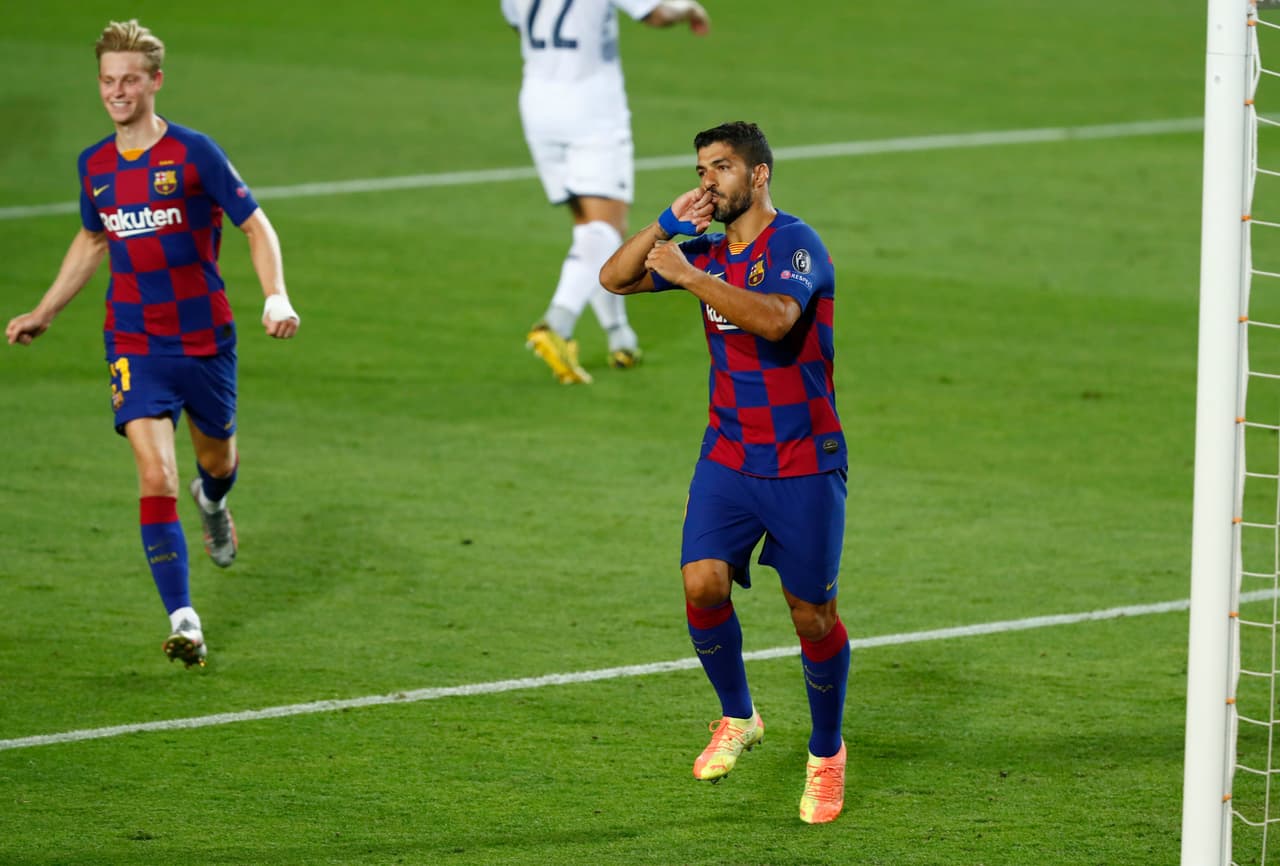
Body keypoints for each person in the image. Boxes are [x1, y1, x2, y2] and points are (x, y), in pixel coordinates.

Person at [5, 20, 300, 669]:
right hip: (134, 341)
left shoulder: (195, 153)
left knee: (216, 463)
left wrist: (275, 295)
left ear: (154, 82)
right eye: (108, 81)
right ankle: (185, 619)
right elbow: (92, 240)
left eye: (129, 80)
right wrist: (45, 310)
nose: (117, 92)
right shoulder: (95, 166)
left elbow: (256, 226)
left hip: (204, 339)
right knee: (154, 473)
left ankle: (214, 502)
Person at [600, 121, 850, 824]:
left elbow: (776, 320)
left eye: (722, 168)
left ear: (759, 174)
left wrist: (690, 274)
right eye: (702, 169)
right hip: (730, 455)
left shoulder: (796, 244)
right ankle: (738, 716)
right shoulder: (703, 246)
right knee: (701, 582)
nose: (709, 180)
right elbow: (614, 278)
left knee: (812, 614)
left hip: (803, 461)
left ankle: (826, 753)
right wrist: (664, 226)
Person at [501, 0, 710, 384]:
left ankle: (620, 336)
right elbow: (655, 13)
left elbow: (521, 27)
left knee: (588, 228)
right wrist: (690, 10)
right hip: (591, 108)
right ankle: (557, 324)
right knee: (607, 231)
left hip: (538, 103)